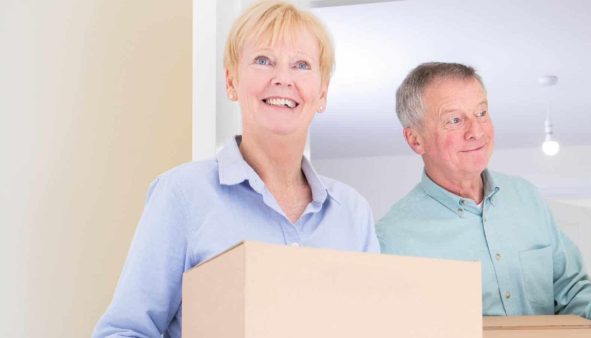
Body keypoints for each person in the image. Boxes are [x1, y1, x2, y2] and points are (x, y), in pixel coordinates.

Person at [92, 2, 378, 337]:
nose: (283, 78)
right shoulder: (182, 195)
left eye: (301, 65)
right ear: (231, 81)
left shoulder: (354, 214)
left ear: (322, 93)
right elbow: (124, 331)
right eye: (263, 60)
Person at [376, 62, 591, 338]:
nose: (476, 130)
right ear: (415, 140)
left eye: (482, 112)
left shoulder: (527, 198)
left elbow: (570, 290)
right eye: (454, 119)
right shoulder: (391, 238)